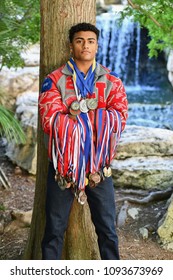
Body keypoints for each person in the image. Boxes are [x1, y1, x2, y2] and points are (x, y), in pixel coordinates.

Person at [39, 22, 128, 260]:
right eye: (79, 41)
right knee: (54, 231)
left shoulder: (111, 80)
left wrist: (75, 115)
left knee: (108, 230)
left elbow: (120, 116)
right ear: (71, 46)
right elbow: (50, 120)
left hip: (99, 169)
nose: (85, 45)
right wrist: (99, 116)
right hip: (63, 168)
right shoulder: (55, 80)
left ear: (97, 46)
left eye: (90, 41)